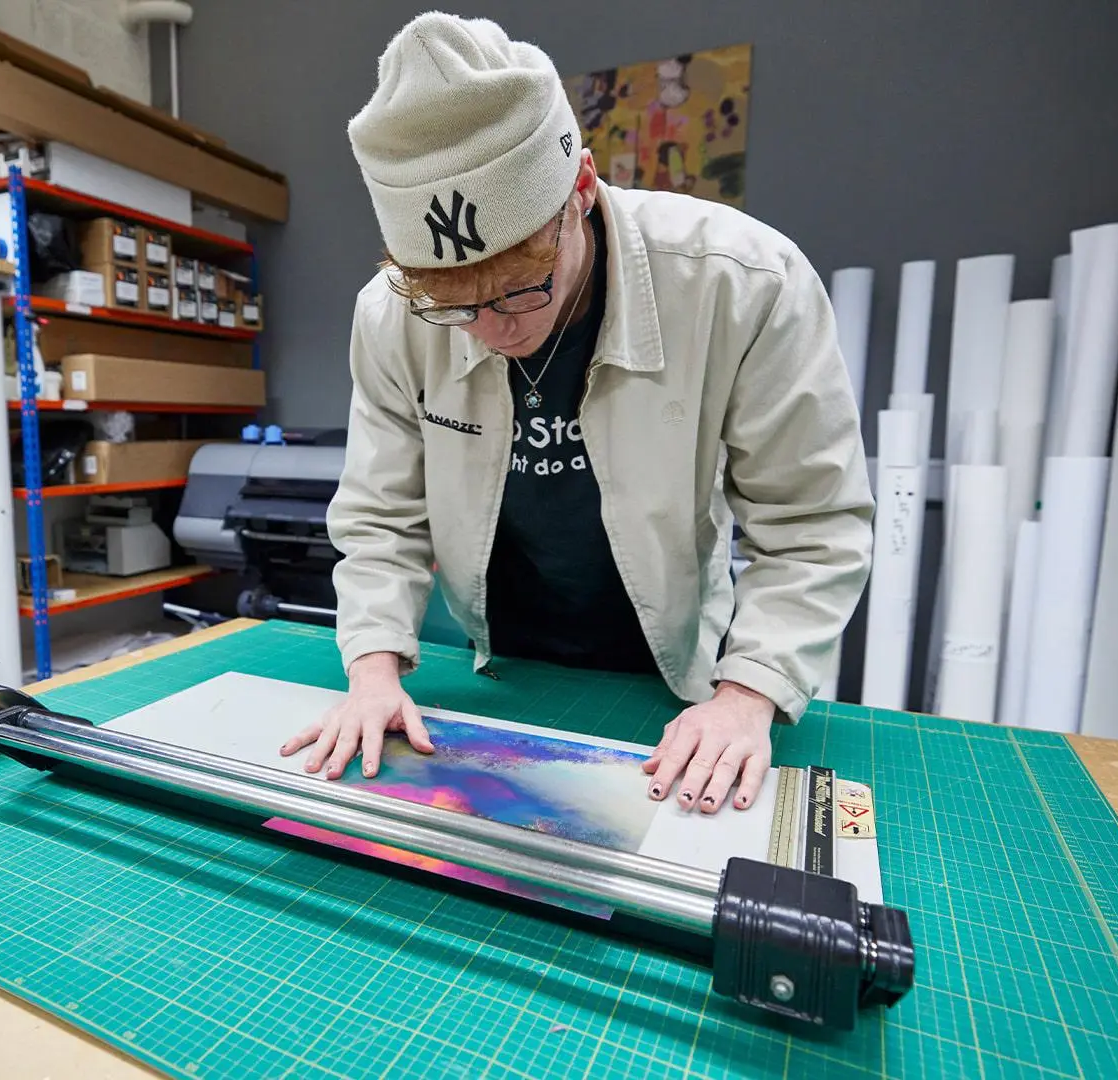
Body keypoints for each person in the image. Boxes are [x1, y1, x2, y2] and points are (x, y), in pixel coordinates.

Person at [281, 12, 872, 815]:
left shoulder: (744, 283)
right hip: (508, 663)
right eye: (455, 306)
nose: (492, 333)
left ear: (581, 190)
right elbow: (383, 518)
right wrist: (373, 671)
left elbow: (811, 523)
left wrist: (747, 695)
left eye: (520, 289)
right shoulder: (391, 315)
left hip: (675, 672)